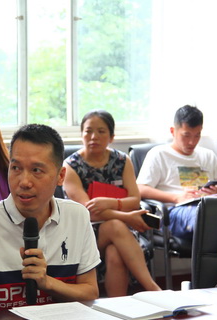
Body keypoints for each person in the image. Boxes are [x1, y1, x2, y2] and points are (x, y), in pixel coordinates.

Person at [0, 124, 101, 320]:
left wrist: (47, 283)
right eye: (16, 168)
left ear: (60, 176)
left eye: (36, 170)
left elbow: (90, 291)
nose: (24, 182)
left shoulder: (77, 216)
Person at [63, 110, 161, 297]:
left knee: (114, 252)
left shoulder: (122, 160)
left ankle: (117, 306)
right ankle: (153, 288)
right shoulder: (70, 166)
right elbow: (88, 211)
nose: (94, 137)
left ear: (111, 137)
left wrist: (111, 202)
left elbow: (135, 200)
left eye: (101, 131)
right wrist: (126, 216)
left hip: (122, 232)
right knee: (115, 226)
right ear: (81, 134)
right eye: (88, 131)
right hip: (83, 231)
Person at [137, 105, 217, 241]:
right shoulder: (159, 154)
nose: (192, 142)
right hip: (175, 210)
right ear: (173, 131)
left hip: (210, 206)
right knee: (207, 218)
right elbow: (141, 189)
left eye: (197, 135)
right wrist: (176, 197)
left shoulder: (207, 155)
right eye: (186, 135)